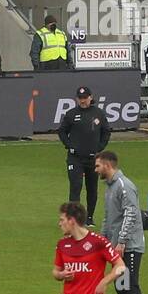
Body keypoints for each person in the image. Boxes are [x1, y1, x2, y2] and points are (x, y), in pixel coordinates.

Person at [96, 152, 148, 294]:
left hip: (130, 245)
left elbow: (131, 215)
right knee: (121, 286)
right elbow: (108, 217)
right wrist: (102, 242)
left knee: (132, 284)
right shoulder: (109, 187)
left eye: (97, 166)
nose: (96, 170)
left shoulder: (124, 186)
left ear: (108, 165)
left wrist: (122, 241)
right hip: (116, 245)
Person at [57, 85, 111, 226]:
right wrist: (69, 145)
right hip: (75, 158)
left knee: (92, 188)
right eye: (80, 98)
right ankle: (74, 218)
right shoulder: (71, 114)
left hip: (93, 159)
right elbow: (62, 132)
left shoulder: (98, 113)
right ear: (77, 99)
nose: (82, 101)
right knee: (76, 186)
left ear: (90, 97)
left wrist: (100, 147)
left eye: (85, 98)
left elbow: (106, 132)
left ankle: (89, 217)